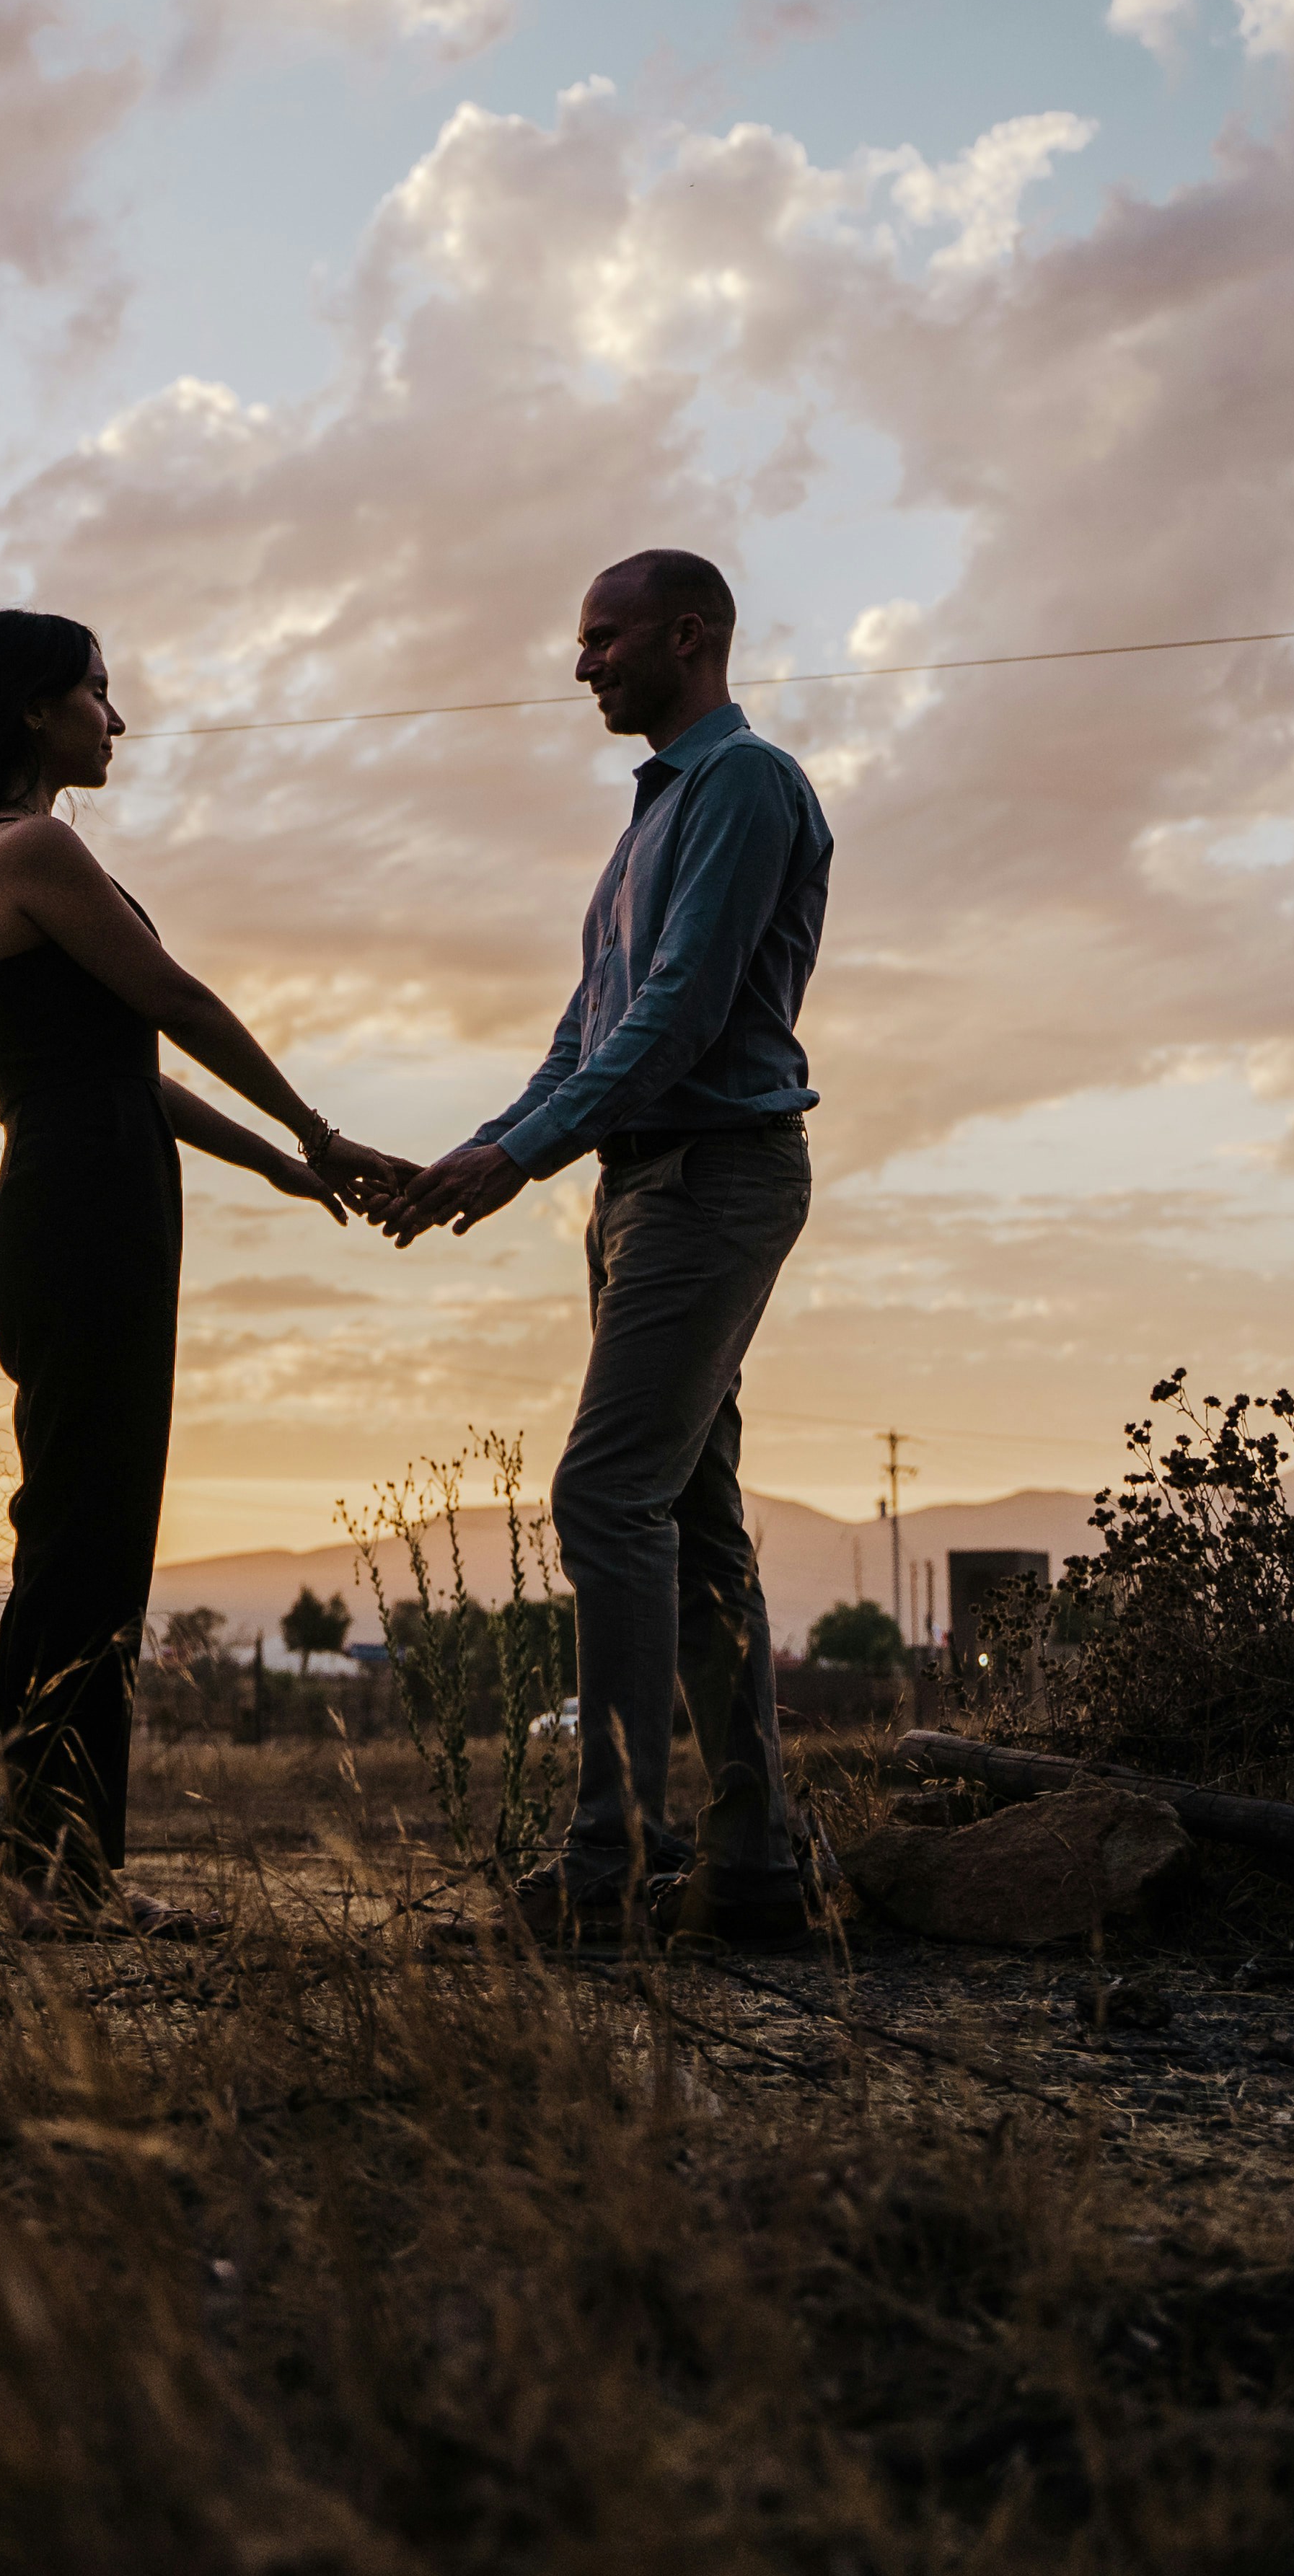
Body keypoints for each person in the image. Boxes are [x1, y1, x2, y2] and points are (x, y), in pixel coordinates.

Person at [0, 609, 407, 1919]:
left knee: (85, 1536)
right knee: (87, 1544)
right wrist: (323, 1126)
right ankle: (59, 1872)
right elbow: (179, 1007)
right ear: (34, 708)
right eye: (98, 693)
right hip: (87, 1210)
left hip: (90, 1192)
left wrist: (279, 1164)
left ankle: (48, 1863)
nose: (116, 721)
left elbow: (125, 1078)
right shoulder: (32, 848)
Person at [385, 548, 831, 1944]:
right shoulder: (649, 821)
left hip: (714, 1178)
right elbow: (588, 1033)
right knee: (690, 1523)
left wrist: (518, 1152)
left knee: (602, 1496)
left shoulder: (746, 786)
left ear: (688, 636)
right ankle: (751, 1873)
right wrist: (484, 1151)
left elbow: (683, 1016)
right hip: (643, 1188)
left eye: (605, 637)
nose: (581, 664)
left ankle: (608, 1870)